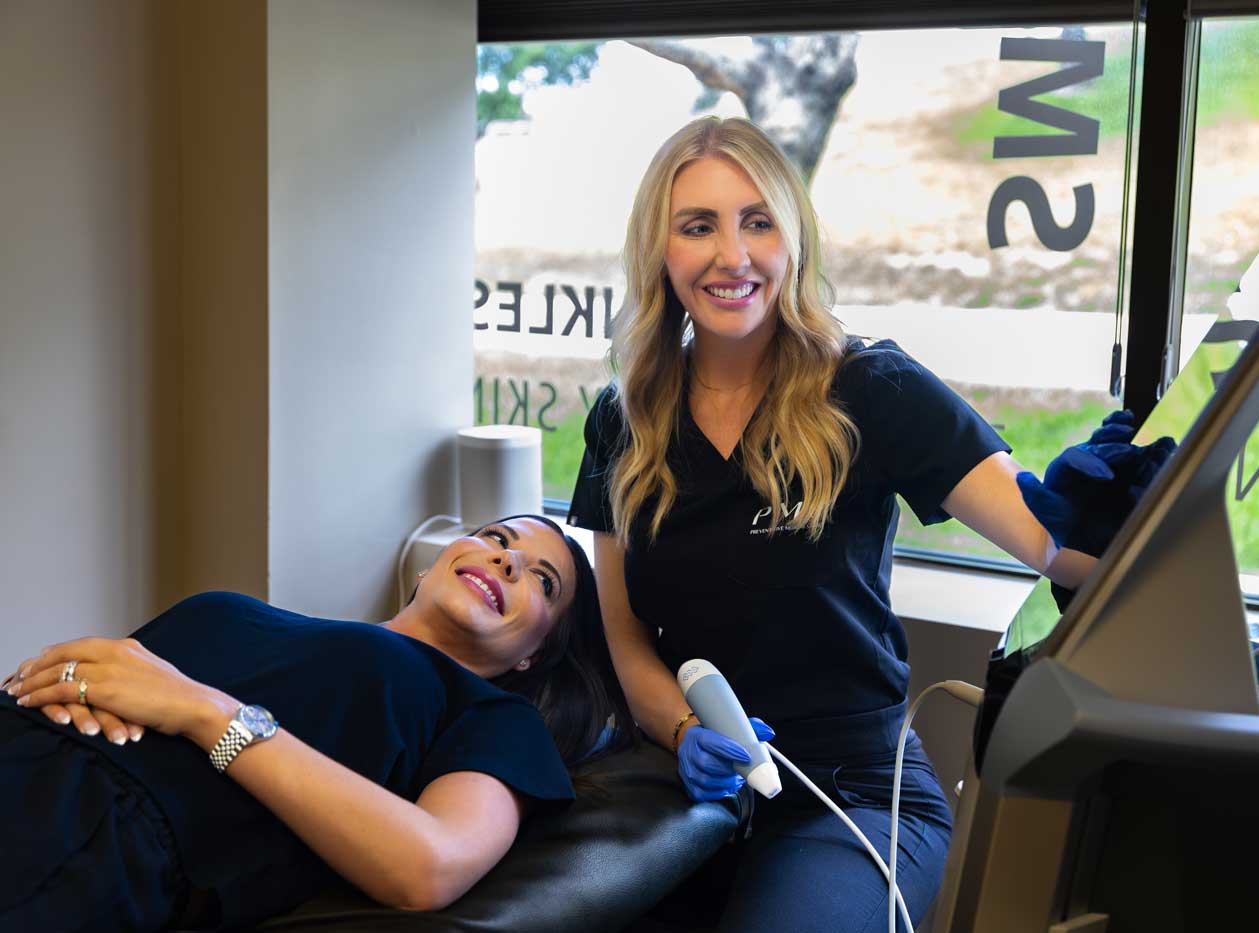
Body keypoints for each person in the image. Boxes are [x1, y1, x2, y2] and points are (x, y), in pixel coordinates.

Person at [567, 116, 1169, 932]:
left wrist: (1138, 523)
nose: (731, 255)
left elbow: (1045, 540)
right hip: (694, 783)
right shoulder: (624, 420)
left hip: (857, 793)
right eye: (697, 226)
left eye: (758, 221)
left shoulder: (871, 388)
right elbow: (626, 635)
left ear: (795, 239)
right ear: (660, 249)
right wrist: (681, 732)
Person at [0, 513, 633, 932]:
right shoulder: (275, 623)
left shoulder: (490, 714)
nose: (507, 563)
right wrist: (60, 686)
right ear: (426, 567)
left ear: (533, 655)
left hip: (88, 829)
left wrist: (207, 713)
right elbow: (122, 684)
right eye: (496, 538)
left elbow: (430, 865)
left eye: (543, 582)